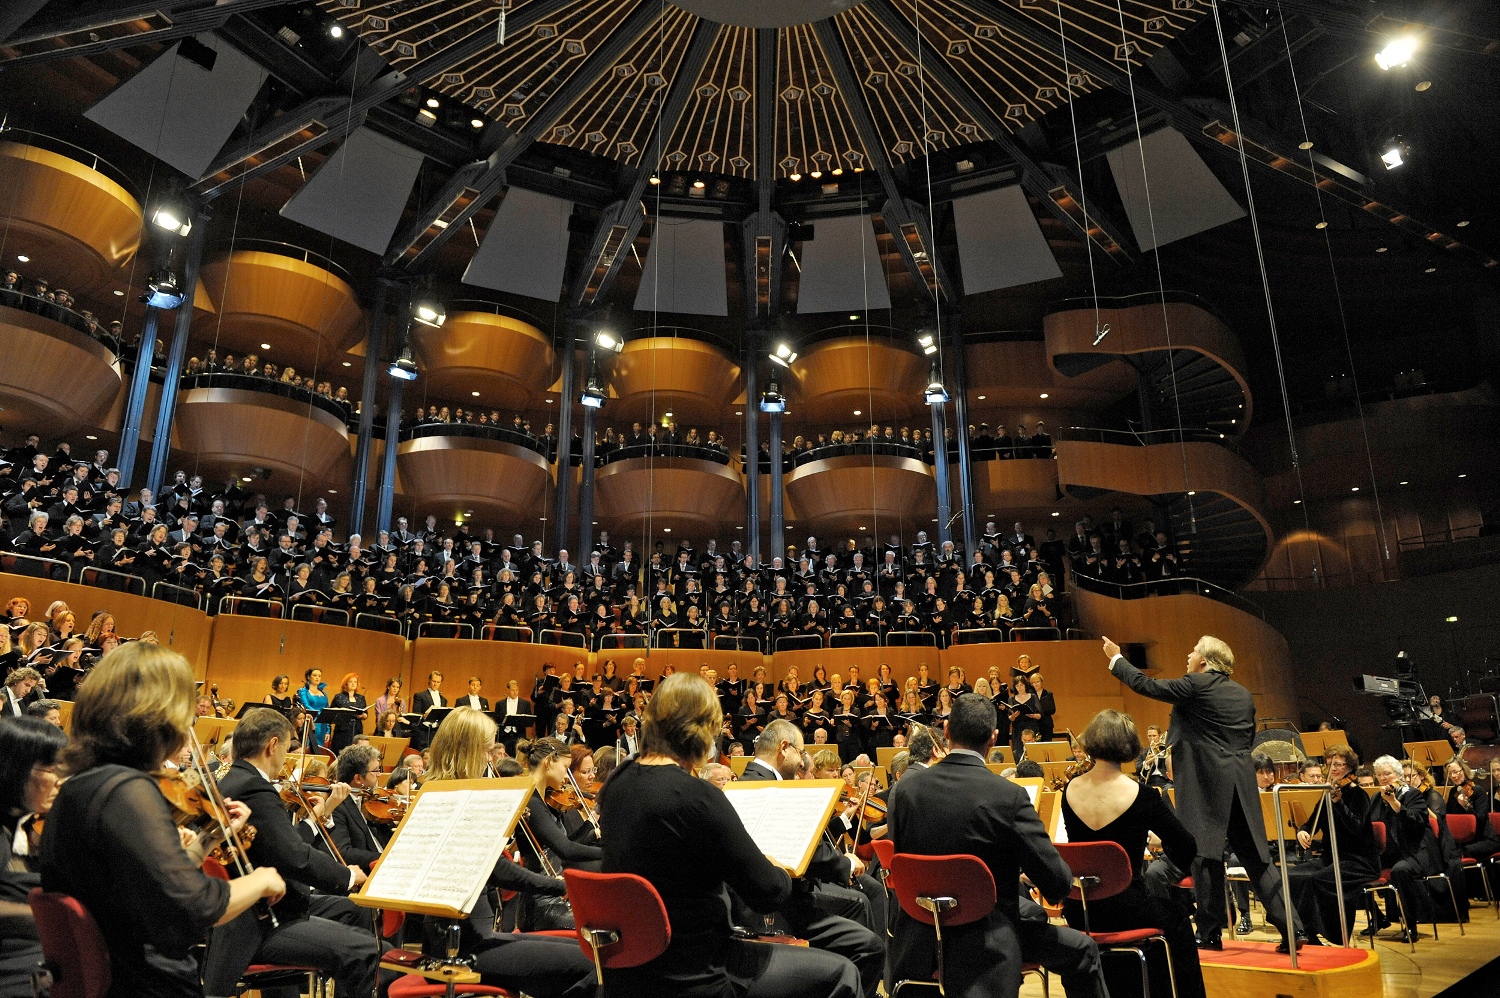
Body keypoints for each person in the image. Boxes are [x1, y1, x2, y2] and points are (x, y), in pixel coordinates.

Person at [38, 643, 286, 997]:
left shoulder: (84, 785)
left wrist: (207, 842)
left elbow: (144, 888)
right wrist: (262, 880)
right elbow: (195, 907)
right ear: (163, 714)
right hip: (144, 984)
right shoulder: (127, 790)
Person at [598, 672, 861, 998]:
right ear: (701, 729)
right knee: (843, 973)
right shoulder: (698, 796)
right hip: (698, 972)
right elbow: (766, 894)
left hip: (628, 972)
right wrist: (775, 866)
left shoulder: (617, 783)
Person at [886, 693, 1107, 998]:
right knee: (1083, 950)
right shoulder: (1009, 796)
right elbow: (1057, 883)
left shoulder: (906, 789)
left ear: (947, 731)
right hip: (986, 943)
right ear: (993, 738)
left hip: (919, 938)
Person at [1102, 634, 1304, 951]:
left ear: (1205, 661)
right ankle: (1293, 928)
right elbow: (1247, 738)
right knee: (1258, 860)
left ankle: (1209, 933)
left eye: (1193, 651)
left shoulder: (1197, 686)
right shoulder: (1243, 695)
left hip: (1207, 785)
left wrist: (1117, 658)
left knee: (1205, 857)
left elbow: (1147, 686)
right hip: (1240, 783)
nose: (1188, 655)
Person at [419, 707, 596, 997]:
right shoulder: (451, 799)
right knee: (590, 964)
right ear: (467, 751)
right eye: (487, 751)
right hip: (460, 948)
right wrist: (558, 886)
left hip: (473, 936)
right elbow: (496, 870)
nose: (492, 759)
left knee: (589, 954)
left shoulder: (442, 792)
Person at [210, 707, 380, 997]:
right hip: (260, 921)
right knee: (368, 951)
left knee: (352, 910)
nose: (286, 757)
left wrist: (316, 817)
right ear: (272, 745)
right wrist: (347, 876)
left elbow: (282, 845)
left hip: (273, 903)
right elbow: (295, 856)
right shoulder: (254, 787)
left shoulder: (235, 781)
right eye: (287, 748)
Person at [1061, 710, 1205, 998]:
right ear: (1128, 745)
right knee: (1178, 916)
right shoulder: (1143, 795)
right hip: (1129, 909)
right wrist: (1162, 850)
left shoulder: (1069, 790)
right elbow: (1187, 845)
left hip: (1081, 911)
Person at [739, 719, 885, 994]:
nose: (802, 760)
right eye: (800, 751)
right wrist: (845, 864)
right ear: (784, 748)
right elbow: (804, 847)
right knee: (870, 948)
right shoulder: (771, 788)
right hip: (779, 909)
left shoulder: (747, 783)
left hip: (769, 902)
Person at [1287, 744, 1382, 946]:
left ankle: (1322, 933)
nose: (1333, 768)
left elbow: (1356, 828)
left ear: (1350, 767)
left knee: (1316, 879)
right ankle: (1300, 931)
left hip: (1359, 861)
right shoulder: (1327, 793)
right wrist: (1302, 831)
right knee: (1292, 875)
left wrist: (1339, 803)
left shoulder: (1358, 795)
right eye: (1329, 764)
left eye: (1338, 764)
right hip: (1331, 858)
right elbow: (1311, 822)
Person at [0, 716, 67, 997]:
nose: (60, 780)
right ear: (15, 769)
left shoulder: (24, 825)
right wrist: (53, 917)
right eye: (51, 769)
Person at [1368, 754, 1443, 941]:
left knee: (1400, 871)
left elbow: (1416, 822)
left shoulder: (1412, 794)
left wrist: (1394, 802)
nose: (1383, 778)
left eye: (1387, 774)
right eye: (1379, 775)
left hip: (1415, 852)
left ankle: (1411, 926)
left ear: (1399, 775)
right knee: (1352, 870)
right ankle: (1377, 918)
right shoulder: (1376, 797)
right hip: (1388, 853)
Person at [328, 672, 368, 753]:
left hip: (356, 729)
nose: (353, 684)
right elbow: (331, 713)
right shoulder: (339, 697)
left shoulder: (361, 698)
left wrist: (363, 715)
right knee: (340, 752)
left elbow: (366, 714)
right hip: (342, 730)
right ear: (345, 684)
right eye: (350, 682)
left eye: (355, 682)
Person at [412, 670, 447, 749]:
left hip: (436, 733)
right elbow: (416, 713)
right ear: (429, 680)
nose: (435, 684)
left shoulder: (443, 699)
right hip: (423, 732)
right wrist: (425, 715)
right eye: (434, 681)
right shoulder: (420, 696)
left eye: (438, 682)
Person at [296, 667, 330, 746]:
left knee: (319, 749)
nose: (317, 677)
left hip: (322, 726)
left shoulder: (324, 693)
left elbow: (327, 711)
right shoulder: (303, 691)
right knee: (308, 747)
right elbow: (306, 705)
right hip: (310, 723)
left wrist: (328, 731)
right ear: (308, 677)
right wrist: (320, 713)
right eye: (315, 675)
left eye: (319, 676)